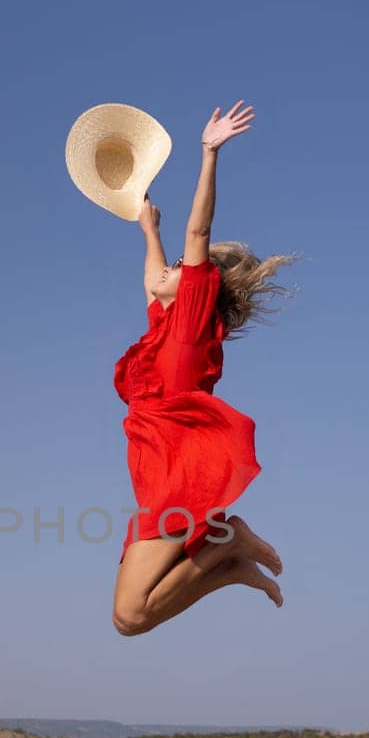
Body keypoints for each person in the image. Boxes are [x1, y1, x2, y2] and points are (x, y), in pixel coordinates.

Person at [111, 100, 294, 636]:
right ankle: (230, 558)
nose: (166, 272)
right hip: (156, 474)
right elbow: (152, 281)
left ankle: (230, 544)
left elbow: (197, 238)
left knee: (129, 615)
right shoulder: (165, 330)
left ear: (197, 285)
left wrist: (209, 153)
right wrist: (148, 230)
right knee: (129, 619)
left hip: (179, 477)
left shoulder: (191, 319)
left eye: (178, 270)